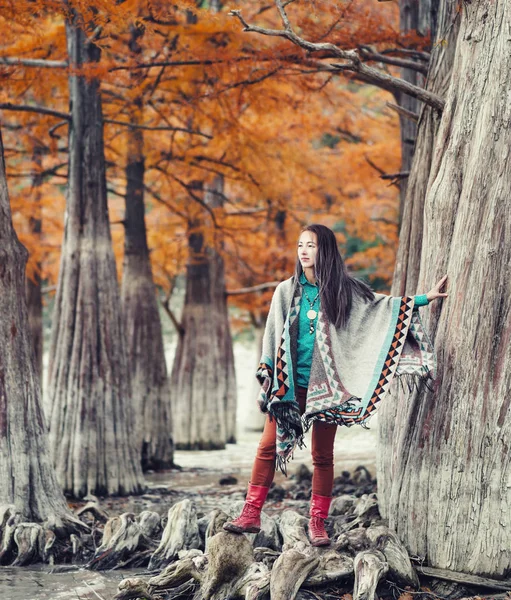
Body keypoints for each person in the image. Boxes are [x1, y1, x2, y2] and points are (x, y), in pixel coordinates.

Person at [224, 224, 448, 546]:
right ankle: (250, 513)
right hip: (289, 386)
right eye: (300, 244)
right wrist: (269, 377)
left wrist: (425, 298)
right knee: (266, 447)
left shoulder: (344, 292)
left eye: (311, 245)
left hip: (327, 387)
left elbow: (381, 308)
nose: (303, 251)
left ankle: (318, 523)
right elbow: (272, 337)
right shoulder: (285, 292)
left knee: (322, 455)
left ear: (324, 250)